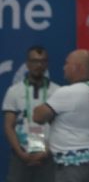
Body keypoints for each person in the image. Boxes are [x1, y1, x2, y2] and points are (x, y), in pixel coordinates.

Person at [32, 49, 89, 182]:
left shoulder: (68, 92)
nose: (63, 67)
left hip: (72, 166)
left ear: (77, 67)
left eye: (67, 64)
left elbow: (38, 117)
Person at [2, 46, 59, 182]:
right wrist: (20, 152)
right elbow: (9, 126)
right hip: (20, 156)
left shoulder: (57, 92)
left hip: (48, 156)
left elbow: (61, 127)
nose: (38, 65)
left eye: (42, 61)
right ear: (27, 64)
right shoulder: (14, 91)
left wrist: (47, 152)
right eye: (34, 61)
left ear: (47, 64)